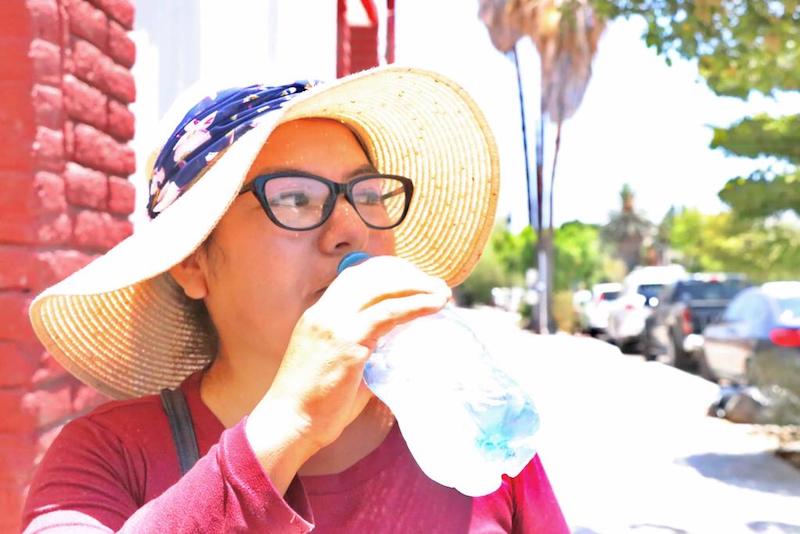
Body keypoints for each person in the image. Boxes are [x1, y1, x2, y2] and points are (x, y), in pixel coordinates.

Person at [22, 66, 569, 533]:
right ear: (192, 261)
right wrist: (286, 427)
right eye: (295, 199)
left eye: (369, 194)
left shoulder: (477, 429)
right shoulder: (109, 457)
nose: (350, 228)